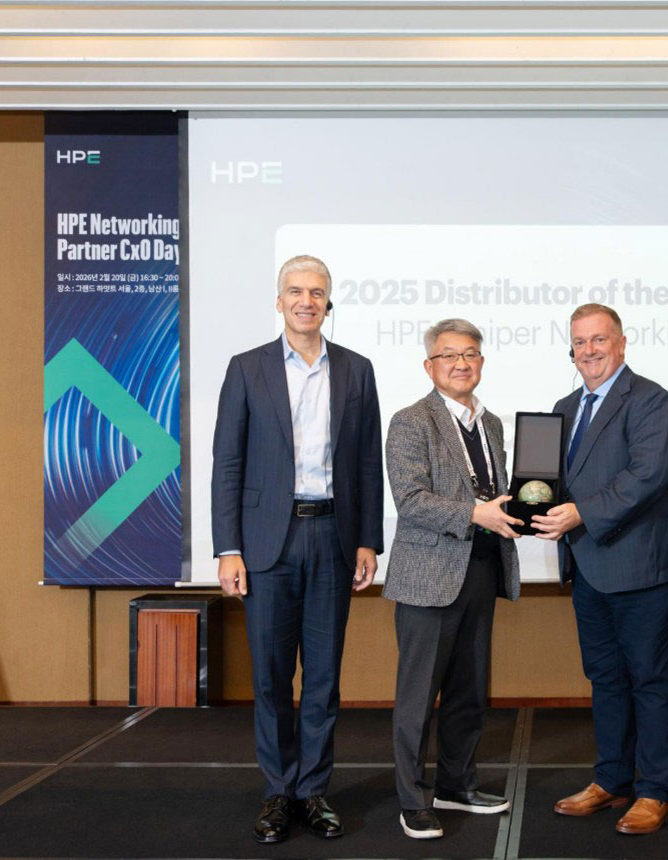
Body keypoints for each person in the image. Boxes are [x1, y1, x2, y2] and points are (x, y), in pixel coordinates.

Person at [211, 254, 383, 844]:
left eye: (316, 292)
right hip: (267, 544)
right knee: (270, 677)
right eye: (295, 291)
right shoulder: (246, 368)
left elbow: (366, 461)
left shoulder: (357, 370)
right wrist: (228, 548)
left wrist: (368, 538)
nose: (306, 301)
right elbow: (228, 463)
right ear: (278, 301)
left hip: (333, 537)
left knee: (324, 678)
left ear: (328, 303)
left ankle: (313, 791)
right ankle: (278, 791)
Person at [532, 303, 668, 836]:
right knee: (605, 680)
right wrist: (529, 505)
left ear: (621, 343)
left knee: (650, 681)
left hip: (642, 570)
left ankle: (655, 790)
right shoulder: (564, 407)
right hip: (589, 568)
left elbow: (647, 475)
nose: (589, 350)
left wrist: (579, 513)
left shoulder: (650, 400)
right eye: (580, 342)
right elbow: (549, 481)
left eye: (599, 340)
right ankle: (613, 779)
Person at [383, 318, 523, 840]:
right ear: (429, 366)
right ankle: (413, 800)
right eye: (449, 355)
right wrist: (474, 514)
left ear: (481, 362)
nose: (461, 364)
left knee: (469, 691)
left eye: (470, 354)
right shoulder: (410, 421)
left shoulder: (493, 424)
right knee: (418, 697)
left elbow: (498, 492)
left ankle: (457, 785)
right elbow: (411, 500)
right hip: (429, 576)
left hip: (482, 570)